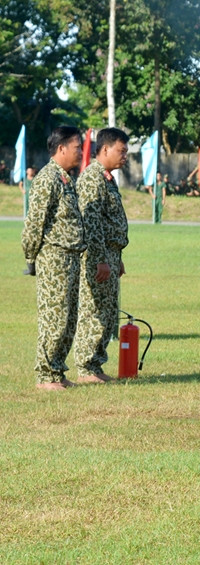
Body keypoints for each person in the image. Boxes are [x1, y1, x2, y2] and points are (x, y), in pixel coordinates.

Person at [21, 127, 86, 390]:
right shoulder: (48, 178)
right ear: (61, 149)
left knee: (68, 318)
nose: (81, 152)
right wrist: (31, 258)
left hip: (71, 258)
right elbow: (34, 224)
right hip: (54, 258)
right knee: (55, 317)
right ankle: (45, 375)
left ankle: (57, 370)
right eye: (77, 147)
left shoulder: (65, 179)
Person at [74, 127, 130, 384]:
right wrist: (100, 259)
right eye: (121, 150)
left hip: (109, 254)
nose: (125, 156)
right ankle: (86, 368)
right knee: (94, 312)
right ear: (105, 149)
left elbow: (109, 222)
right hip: (98, 257)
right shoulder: (92, 178)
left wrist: (116, 256)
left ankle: (95, 366)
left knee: (107, 314)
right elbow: (91, 223)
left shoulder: (106, 178)